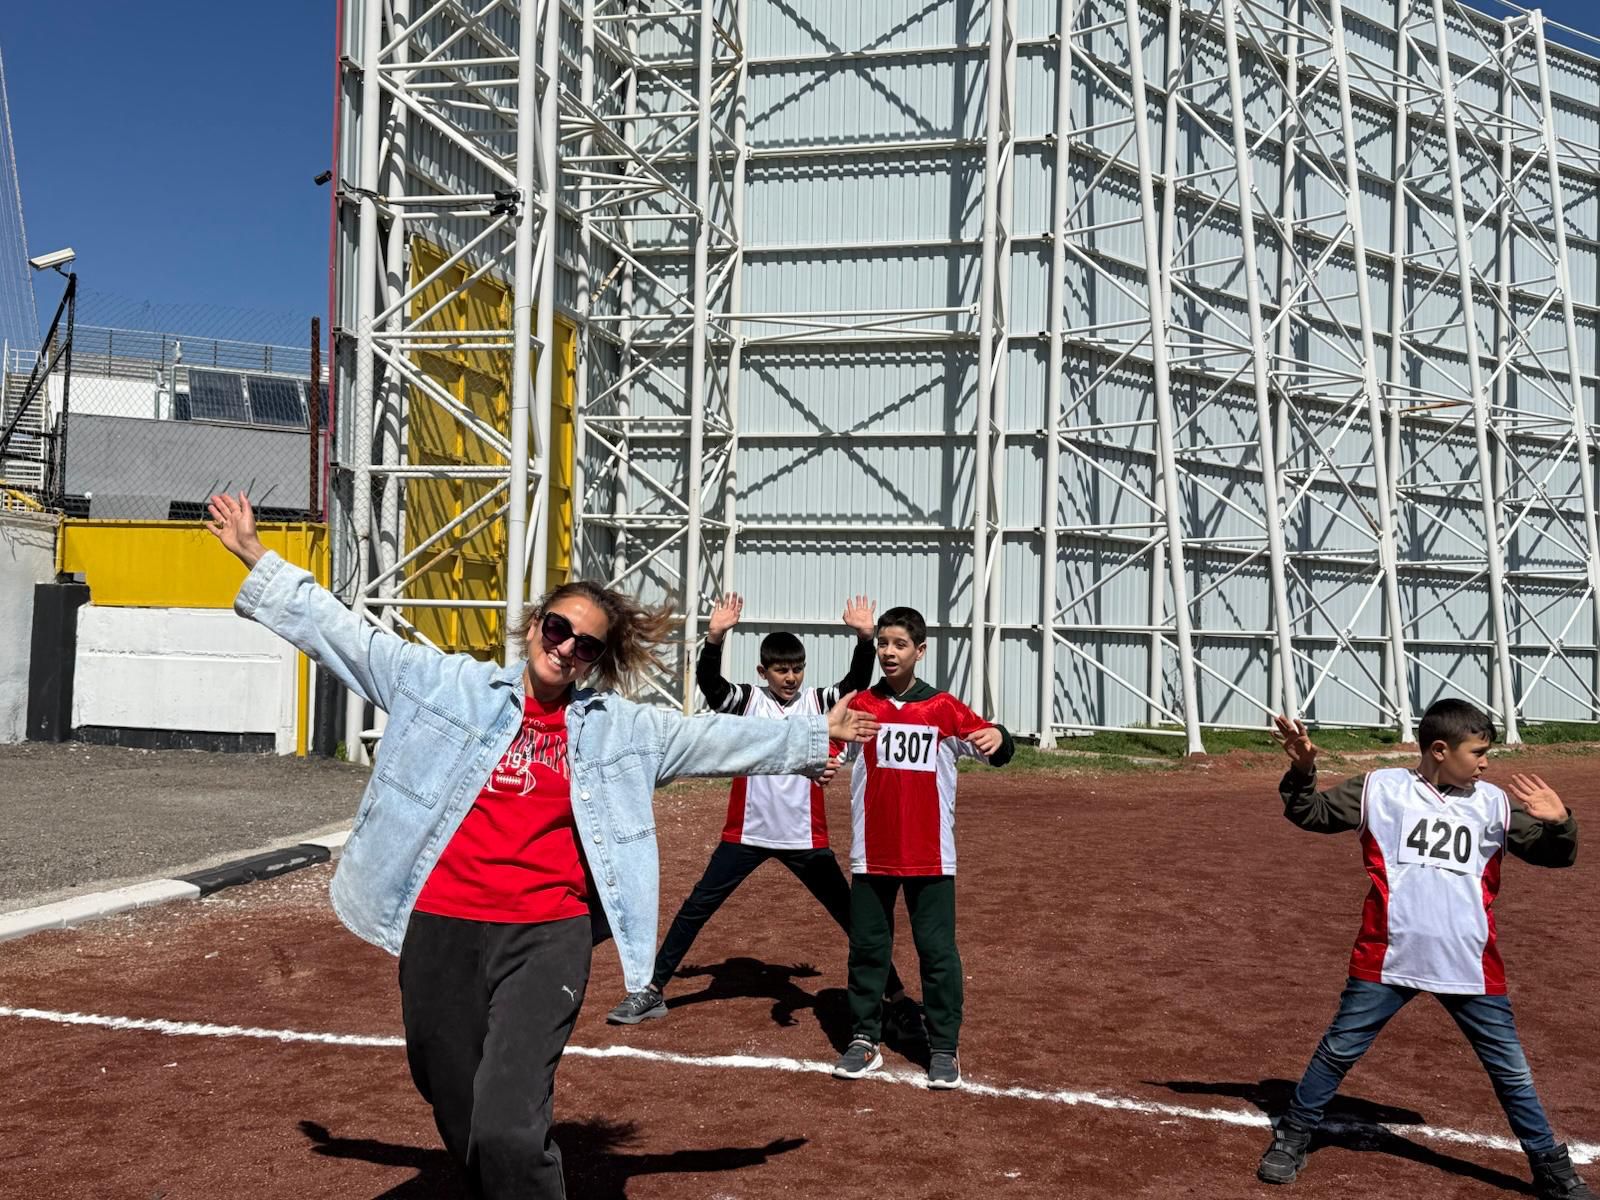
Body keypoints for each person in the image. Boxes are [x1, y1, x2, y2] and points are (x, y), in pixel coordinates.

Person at [203, 492, 879, 1200]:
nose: (566, 648)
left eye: (586, 645)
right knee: (450, 1094)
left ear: (595, 659)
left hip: (547, 933)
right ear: (535, 627)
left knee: (507, 1126)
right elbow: (350, 637)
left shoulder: (617, 727)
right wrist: (257, 555)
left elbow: (706, 736)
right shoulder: (450, 687)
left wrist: (813, 735)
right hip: (440, 924)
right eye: (559, 629)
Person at [1257, 700, 1593, 1200]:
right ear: (1440, 749)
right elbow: (1311, 812)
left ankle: (1550, 1165)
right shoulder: (1380, 789)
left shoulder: (1494, 804)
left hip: (1470, 964)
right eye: (1478, 752)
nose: (1486, 763)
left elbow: (1556, 855)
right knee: (1338, 1051)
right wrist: (1303, 770)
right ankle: (1294, 1134)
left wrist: (1559, 821)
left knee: (1511, 1072)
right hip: (1387, 956)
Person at [606, 591, 916, 1029]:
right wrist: (714, 638)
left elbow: (853, 683)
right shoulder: (748, 700)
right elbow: (712, 686)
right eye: (781, 670)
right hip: (746, 835)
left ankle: (896, 996)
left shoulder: (818, 702)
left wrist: (865, 639)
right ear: (762, 671)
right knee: (696, 908)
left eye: (797, 669)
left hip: (804, 838)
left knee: (852, 917)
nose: (790, 677)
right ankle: (651, 989)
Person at [830, 605, 1014, 1090]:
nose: (889, 653)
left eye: (900, 644)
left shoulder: (943, 708)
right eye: (883, 644)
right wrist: (822, 760)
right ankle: (864, 1038)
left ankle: (943, 1046)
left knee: (937, 953)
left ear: (920, 651)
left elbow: (997, 749)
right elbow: (827, 751)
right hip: (872, 853)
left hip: (930, 856)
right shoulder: (861, 706)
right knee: (868, 949)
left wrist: (1000, 736)